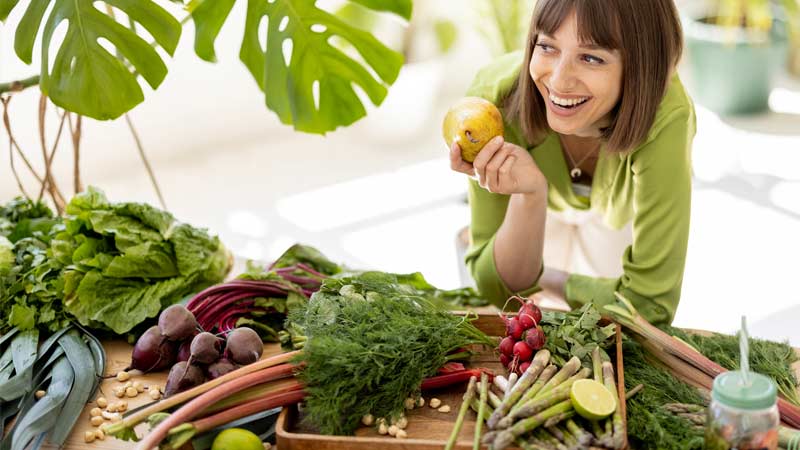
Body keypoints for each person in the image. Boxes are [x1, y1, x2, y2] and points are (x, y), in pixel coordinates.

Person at [451, 0, 694, 325]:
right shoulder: (493, 103)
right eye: (548, 46)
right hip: (542, 210)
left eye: (592, 57)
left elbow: (649, 307)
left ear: (641, 65)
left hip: (617, 211)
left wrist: (552, 280)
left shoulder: (666, 117)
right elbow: (498, 290)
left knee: (619, 334)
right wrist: (530, 195)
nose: (560, 81)